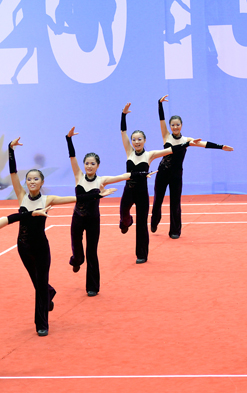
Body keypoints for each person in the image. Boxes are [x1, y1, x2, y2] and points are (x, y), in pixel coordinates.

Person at [8, 137, 113, 336]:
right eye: (29, 179)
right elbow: (13, 173)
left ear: (42, 182)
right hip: (23, 247)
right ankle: (48, 292)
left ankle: (41, 324)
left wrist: (97, 195)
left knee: (40, 285)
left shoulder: (49, 199)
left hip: (41, 248)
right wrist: (10, 150)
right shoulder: (21, 196)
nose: (32, 182)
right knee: (36, 282)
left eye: (36, 179)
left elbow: (76, 198)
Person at [66, 127, 150, 296]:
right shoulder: (78, 176)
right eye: (87, 163)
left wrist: (141, 174)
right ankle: (76, 260)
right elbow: (72, 157)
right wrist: (69, 139)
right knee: (79, 254)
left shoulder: (101, 180)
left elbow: (123, 176)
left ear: (98, 166)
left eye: (93, 164)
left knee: (92, 252)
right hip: (77, 220)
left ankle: (92, 287)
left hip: (93, 221)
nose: (89, 166)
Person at [119, 102, 201, 264]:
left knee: (142, 225)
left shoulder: (150, 155)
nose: (136, 142)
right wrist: (123, 115)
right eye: (134, 139)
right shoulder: (129, 151)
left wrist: (187, 143)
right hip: (128, 192)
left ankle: (142, 255)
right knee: (123, 214)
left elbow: (171, 150)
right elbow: (123, 132)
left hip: (142, 194)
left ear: (144, 140)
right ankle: (126, 221)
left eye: (139, 139)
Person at [150, 95, 233, 239]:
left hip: (176, 175)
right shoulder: (166, 136)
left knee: (175, 203)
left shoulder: (187, 140)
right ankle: (155, 220)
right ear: (170, 126)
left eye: (177, 124)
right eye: (173, 125)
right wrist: (160, 104)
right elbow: (161, 120)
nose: (175, 127)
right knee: (158, 199)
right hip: (163, 172)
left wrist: (221, 147)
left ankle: (175, 230)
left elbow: (204, 144)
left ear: (181, 125)